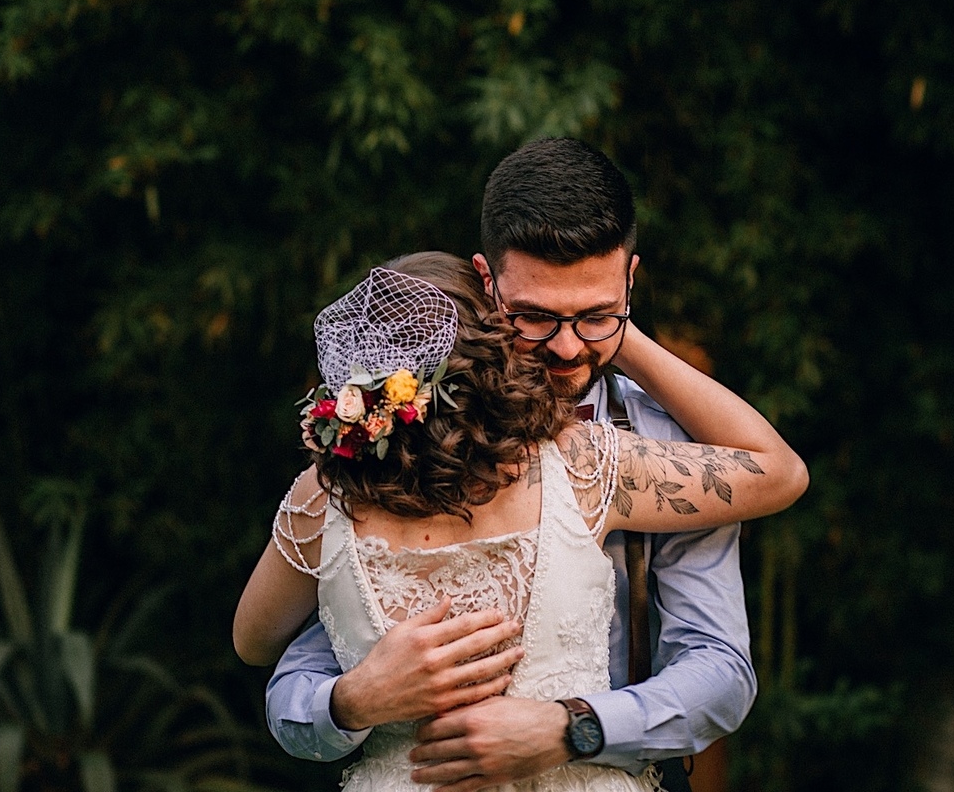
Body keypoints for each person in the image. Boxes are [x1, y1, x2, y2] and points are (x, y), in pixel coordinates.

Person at [256, 138, 805, 790]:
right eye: (536, 316)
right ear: (487, 283)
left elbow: (718, 670)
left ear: (631, 281)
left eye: (596, 314)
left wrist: (571, 727)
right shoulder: (409, 440)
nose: (569, 346)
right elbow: (300, 660)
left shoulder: (666, 441)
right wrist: (349, 701)